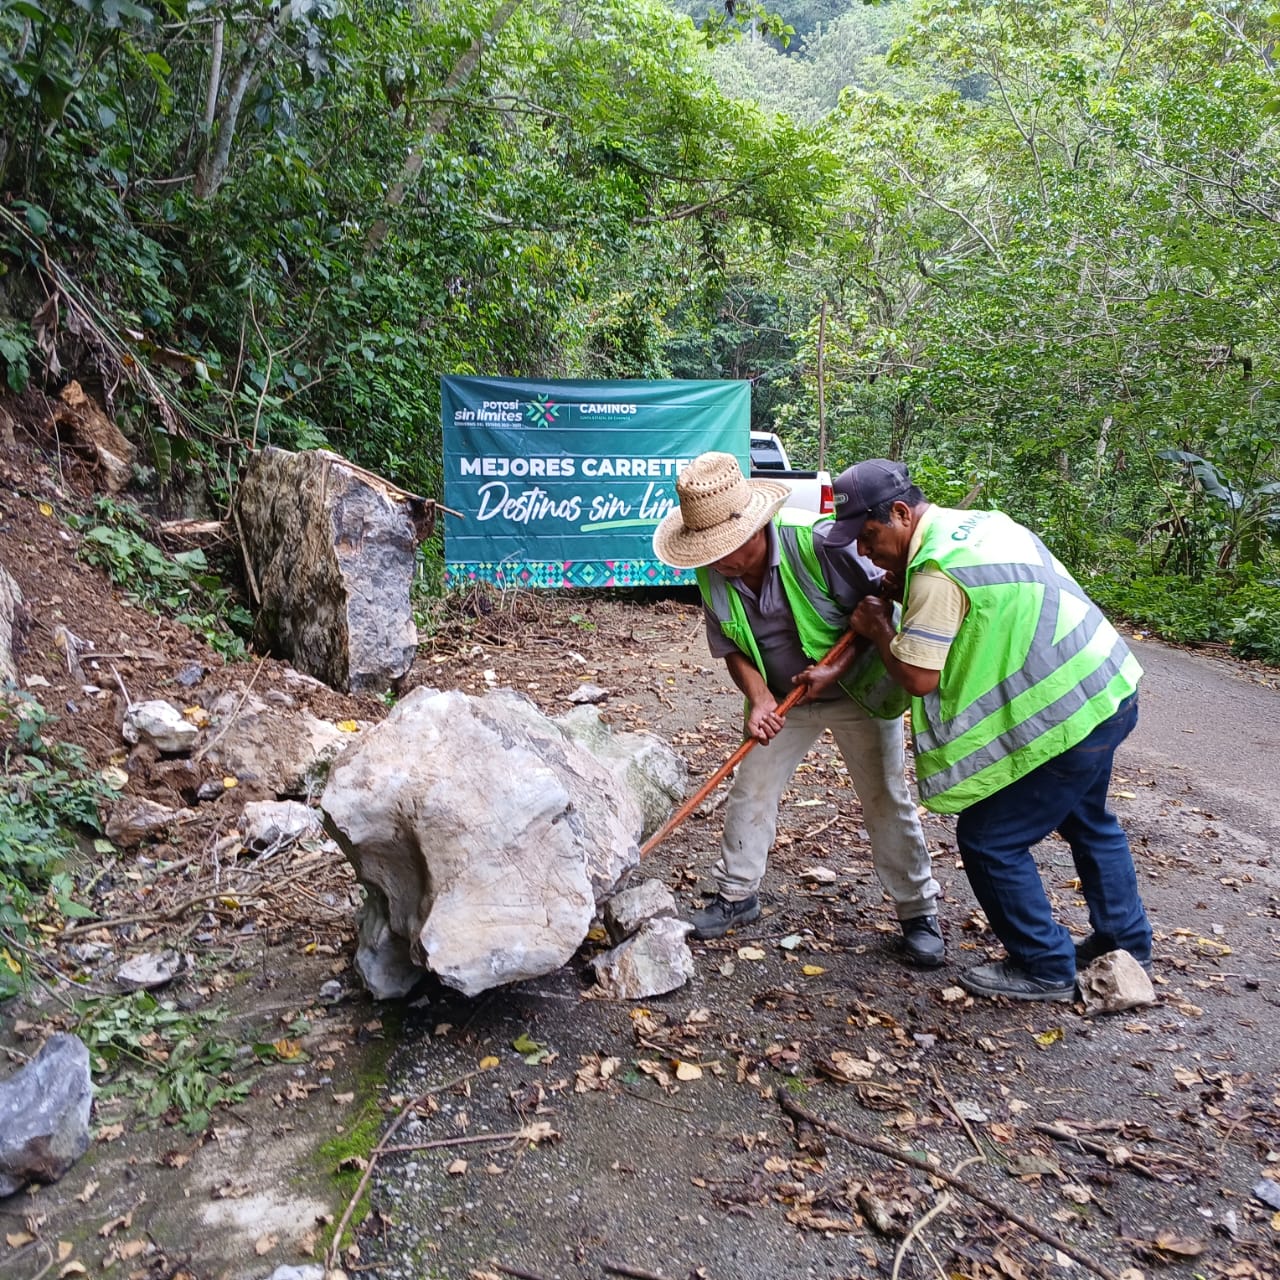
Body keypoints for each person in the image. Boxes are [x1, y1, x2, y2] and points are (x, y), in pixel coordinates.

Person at [824, 459, 1152, 1001]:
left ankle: (1044, 964)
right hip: (1105, 688)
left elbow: (917, 675)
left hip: (1065, 716)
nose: (863, 552)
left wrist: (881, 627)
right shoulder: (981, 525)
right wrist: (906, 584)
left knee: (989, 840)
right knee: (1089, 821)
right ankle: (1127, 945)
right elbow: (988, 605)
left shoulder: (935, 570)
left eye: (868, 535)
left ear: (902, 514)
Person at [651, 451, 944, 966]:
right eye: (709, 553)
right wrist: (760, 697)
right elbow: (731, 645)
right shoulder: (710, 567)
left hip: (856, 691)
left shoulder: (817, 542)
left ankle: (918, 912)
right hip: (782, 699)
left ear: (755, 528)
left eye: (728, 550)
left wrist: (836, 667)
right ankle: (736, 896)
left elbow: (874, 611)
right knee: (751, 788)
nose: (719, 562)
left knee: (884, 798)